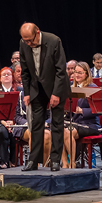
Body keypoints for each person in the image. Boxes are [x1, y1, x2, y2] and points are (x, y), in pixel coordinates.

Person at [19, 23, 70, 172]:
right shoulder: (24, 43)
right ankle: (33, 160)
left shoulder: (54, 41)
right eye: (25, 40)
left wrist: (55, 94)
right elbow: (25, 71)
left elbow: (61, 70)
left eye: (30, 40)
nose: (28, 43)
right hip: (37, 88)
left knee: (56, 123)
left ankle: (55, 160)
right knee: (36, 124)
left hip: (56, 86)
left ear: (38, 32)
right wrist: (27, 93)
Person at [62, 62, 100, 168]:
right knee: (58, 131)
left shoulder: (93, 88)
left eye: (80, 72)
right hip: (74, 123)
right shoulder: (71, 87)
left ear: (87, 74)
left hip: (90, 124)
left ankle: (73, 163)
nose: (77, 75)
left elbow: (99, 110)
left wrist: (82, 111)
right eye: (75, 72)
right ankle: (65, 163)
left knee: (68, 132)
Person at [0, 67, 18, 167]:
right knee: (2, 131)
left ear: (12, 77)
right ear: (0, 78)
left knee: (14, 132)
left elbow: (19, 109)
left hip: (13, 122)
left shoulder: (19, 90)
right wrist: (4, 122)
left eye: (9, 74)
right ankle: (3, 161)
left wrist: (12, 122)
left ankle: (13, 161)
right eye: (4, 74)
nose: (6, 76)